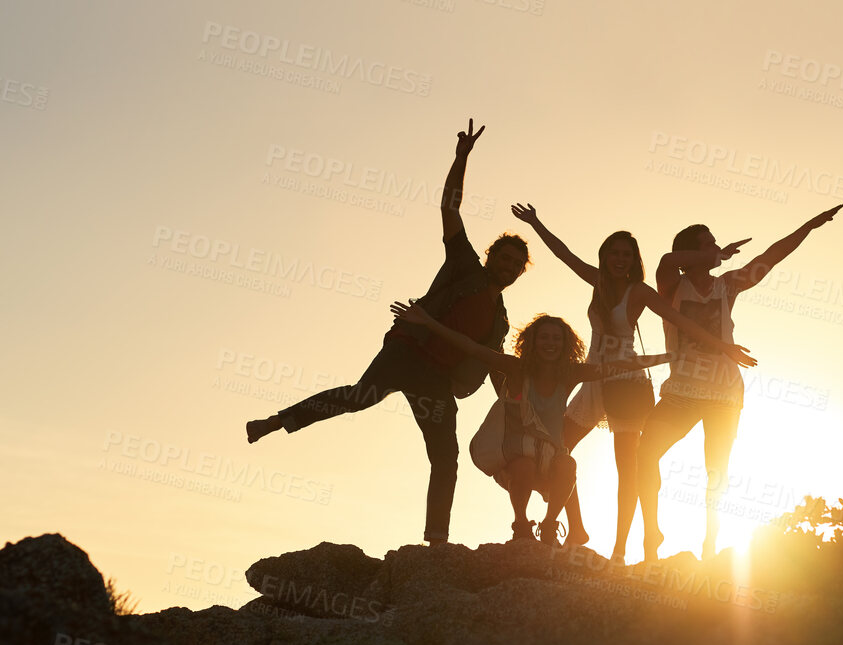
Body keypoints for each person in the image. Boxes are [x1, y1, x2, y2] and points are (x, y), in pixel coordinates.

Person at [244, 120, 529, 545]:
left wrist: (514, 402)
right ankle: (277, 420)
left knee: (446, 457)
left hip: (437, 380)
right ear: (491, 257)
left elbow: (490, 365)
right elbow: (449, 210)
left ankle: (436, 540)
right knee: (361, 397)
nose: (505, 268)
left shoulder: (500, 318)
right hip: (407, 352)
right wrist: (461, 158)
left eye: (514, 266)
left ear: (519, 273)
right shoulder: (465, 265)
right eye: (502, 259)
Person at [509, 205, 757, 561]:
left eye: (627, 254)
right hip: (594, 379)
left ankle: (623, 549)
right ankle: (573, 528)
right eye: (615, 252)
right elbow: (564, 254)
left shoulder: (639, 291)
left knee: (630, 470)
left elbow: (680, 320)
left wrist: (723, 347)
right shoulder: (597, 281)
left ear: (634, 260)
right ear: (606, 256)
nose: (620, 259)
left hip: (627, 383)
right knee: (552, 450)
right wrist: (536, 223)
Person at [639, 206, 843, 560]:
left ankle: (710, 544)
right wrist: (711, 256)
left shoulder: (727, 285)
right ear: (694, 254)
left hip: (724, 393)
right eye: (707, 244)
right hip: (682, 392)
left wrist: (808, 225)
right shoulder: (672, 283)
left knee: (716, 470)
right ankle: (651, 535)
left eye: (715, 243)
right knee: (645, 454)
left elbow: (771, 257)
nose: (716, 248)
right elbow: (667, 258)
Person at [394, 303, 672, 544]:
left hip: (549, 462)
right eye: (544, 338)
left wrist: (670, 357)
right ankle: (521, 525)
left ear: (565, 345)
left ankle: (550, 525)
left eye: (556, 339)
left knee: (568, 465)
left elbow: (619, 367)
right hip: (514, 461)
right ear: (532, 342)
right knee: (525, 463)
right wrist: (428, 322)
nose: (550, 343)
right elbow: (471, 347)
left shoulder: (570, 374)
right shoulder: (516, 370)